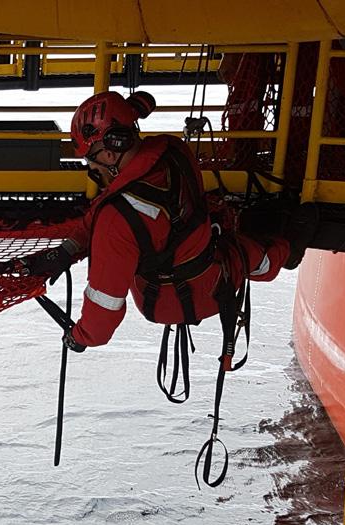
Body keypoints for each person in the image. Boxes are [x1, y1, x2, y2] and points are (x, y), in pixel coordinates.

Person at [62, 89, 314, 351]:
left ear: (109, 154)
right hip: (213, 269)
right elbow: (117, 198)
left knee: (247, 255)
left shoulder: (115, 221)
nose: (92, 170)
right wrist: (70, 247)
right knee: (249, 255)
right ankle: (286, 252)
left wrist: (80, 337)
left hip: (166, 300)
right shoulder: (173, 150)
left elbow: (101, 315)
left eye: (90, 161)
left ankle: (286, 253)